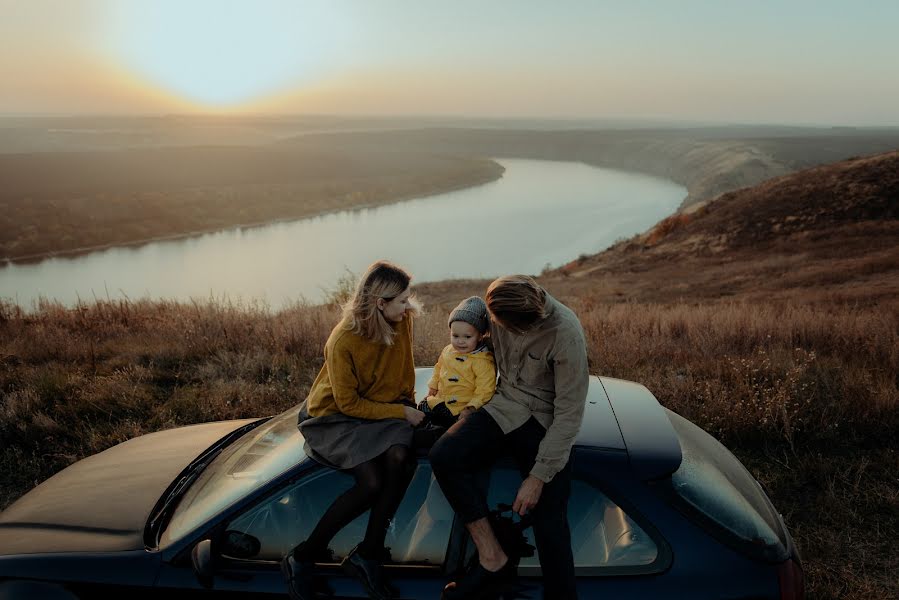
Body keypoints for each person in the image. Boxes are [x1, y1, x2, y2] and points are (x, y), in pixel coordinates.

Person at [429, 275, 589, 600]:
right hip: (504, 405)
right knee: (444, 456)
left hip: (546, 419)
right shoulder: (494, 307)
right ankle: (492, 558)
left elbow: (569, 413)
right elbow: (466, 324)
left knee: (550, 520)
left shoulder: (566, 333)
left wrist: (538, 476)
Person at [281, 260, 426, 600]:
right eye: (402, 300)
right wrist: (400, 412)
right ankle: (302, 557)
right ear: (380, 303)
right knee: (372, 482)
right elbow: (348, 405)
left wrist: (408, 404)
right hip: (335, 418)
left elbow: (404, 366)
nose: (409, 306)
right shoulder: (343, 340)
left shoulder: (402, 321)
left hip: (381, 408)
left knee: (401, 457)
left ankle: (368, 554)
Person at [419, 296, 496, 429]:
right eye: (455, 336)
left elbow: (485, 389)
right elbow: (438, 368)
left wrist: (471, 408)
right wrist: (433, 386)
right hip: (440, 401)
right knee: (422, 406)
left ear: (479, 336)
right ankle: (430, 427)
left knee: (454, 424)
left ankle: (441, 430)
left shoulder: (482, 360)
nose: (460, 341)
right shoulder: (448, 350)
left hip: (461, 406)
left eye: (467, 337)